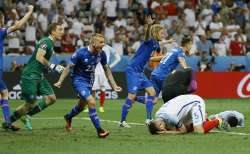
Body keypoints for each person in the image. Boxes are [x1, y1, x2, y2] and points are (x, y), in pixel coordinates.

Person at [54, 33, 122, 138]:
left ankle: (68, 117)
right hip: (78, 80)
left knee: (81, 106)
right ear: (93, 43)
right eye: (101, 42)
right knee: (91, 101)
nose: (103, 45)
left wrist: (113, 84)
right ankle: (100, 130)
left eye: (104, 42)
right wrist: (60, 81)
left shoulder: (101, 53)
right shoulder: (81, 53)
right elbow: (68, 67)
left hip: (90, 81)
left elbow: (107, 69)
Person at [8, 22, 65, 130]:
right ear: (52, 31)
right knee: (29, 104)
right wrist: (53, 66)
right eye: (60, 29)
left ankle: (28, 115)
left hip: (39, 75)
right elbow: (39, 57)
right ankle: (8, 123)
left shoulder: (51, 44)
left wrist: (50, 68)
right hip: (30, 75)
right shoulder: (46, 42)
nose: (62, 32)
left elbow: (41, 61)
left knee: (51, 98)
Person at [119, 16, 165, 128]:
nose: (164, 35)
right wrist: (149, 25)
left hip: (140, 72)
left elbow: (156, 52)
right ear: (156, 33)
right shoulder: (149, 41)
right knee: (131, 95)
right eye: (162, 33)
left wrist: (166, 46)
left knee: (153, 94)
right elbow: (146, 37)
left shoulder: (156, 44)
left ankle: (148, 119)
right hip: (133, 70)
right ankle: (122, 121)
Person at [0, 5, 34, 131]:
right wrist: (30, 12)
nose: (3, 22)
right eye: (2, 19)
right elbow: (18, 26)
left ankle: (8, 122)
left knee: (4, 93)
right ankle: (8, 122)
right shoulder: (1, 31)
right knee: (4, 93)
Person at [135, 36, 192, 105]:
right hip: (163, 76)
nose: (191, 46)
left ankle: (134, 98)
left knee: (154, 101)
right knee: (174, 96)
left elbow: (160, 58)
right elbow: (183, 64)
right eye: (191, 44)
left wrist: (151, 58)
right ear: (187, 44)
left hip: (155, 74)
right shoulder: (180, 52)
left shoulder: (173, 50)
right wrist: (188, 69)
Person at [148, 94, 229, 135]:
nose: (164, 130)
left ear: (160, 124)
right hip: (185, 104)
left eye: (162, 129)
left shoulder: (169, 117)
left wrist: (169, 133)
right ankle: (206, 119)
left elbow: (183, 131)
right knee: (186, 128)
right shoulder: (158, 116)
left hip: (194, 102)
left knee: (198, 131)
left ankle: (218, 120)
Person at [92, 44, 121, 113]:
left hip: (103, 72)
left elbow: (118, 58)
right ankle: (90, 106)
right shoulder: (95, 46)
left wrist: (110, 66)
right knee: (92, 89)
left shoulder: (108, 48)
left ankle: (101, 107)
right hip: (94, 71)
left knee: (102, 89)